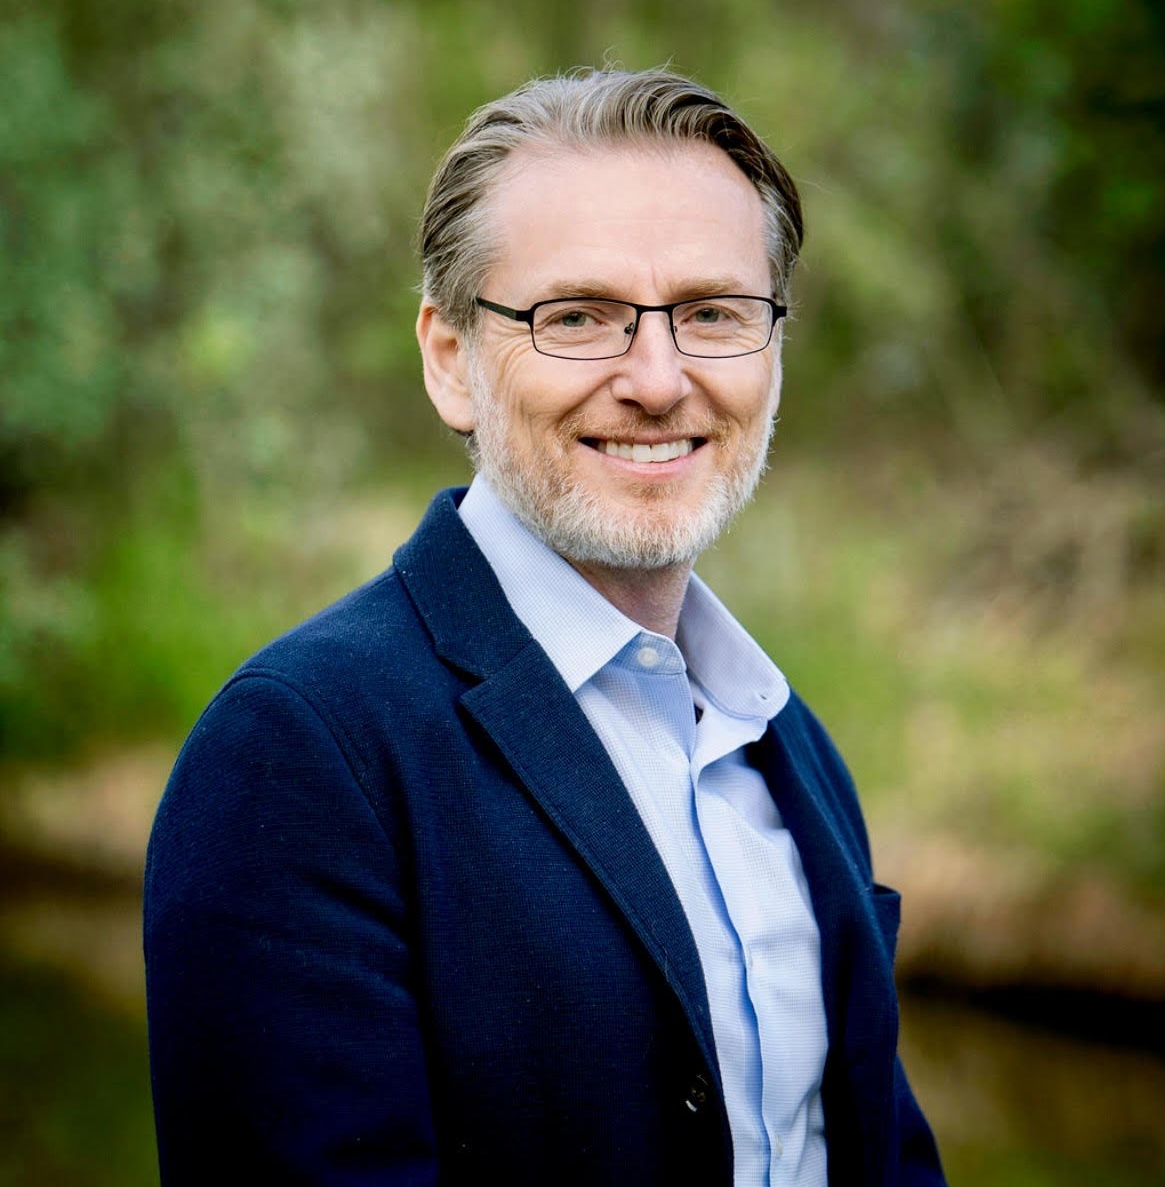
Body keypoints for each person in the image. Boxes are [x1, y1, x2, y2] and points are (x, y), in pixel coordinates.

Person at [144, 68, 946, 1187]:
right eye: (579, 318)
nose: (659, 381)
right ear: (449, 359)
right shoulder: (300, 753)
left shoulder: (787, 746)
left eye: (713, 313)